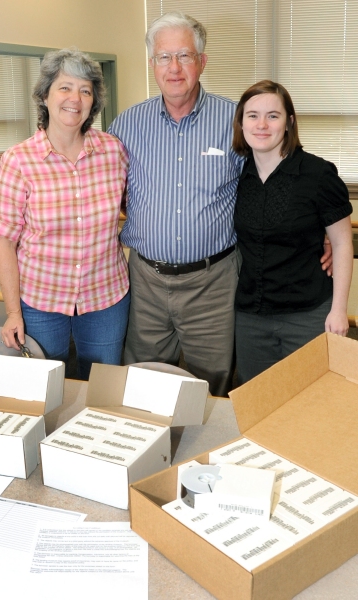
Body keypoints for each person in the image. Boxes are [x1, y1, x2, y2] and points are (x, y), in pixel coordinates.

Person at [108, 11, 244, 396]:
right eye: (164, 57)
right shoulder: (126, 125)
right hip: (146, 282)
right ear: (152, 64)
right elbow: (103, 191)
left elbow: (271, 188)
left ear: (202, 61)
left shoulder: (235, 120)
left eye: (184, 56)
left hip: (213, 283)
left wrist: (318, 234)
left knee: (212, 385)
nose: (174, 67)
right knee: (143, 384)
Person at [0, 48, 130, 380]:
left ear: (93, 102)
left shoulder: (113, 151)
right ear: (45, 95)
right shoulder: (18, 160)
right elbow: (4, 242)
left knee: (103, 385)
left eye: (85, 90)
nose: (75, 98)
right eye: (65, 87)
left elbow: (133, 206)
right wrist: (12, 312)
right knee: (46, 389)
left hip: (105, 297)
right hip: (41, 301)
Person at [232, 80, 353, 384]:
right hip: (250, 317)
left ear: (289, 122)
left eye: (273, 115)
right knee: (257, 397)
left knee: (311, 399)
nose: (262, 124)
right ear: (241, 123)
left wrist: (339, 311)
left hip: (307, 314)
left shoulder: (318, 174)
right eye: (253, 115)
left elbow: (341, 244)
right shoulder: (234, 175)